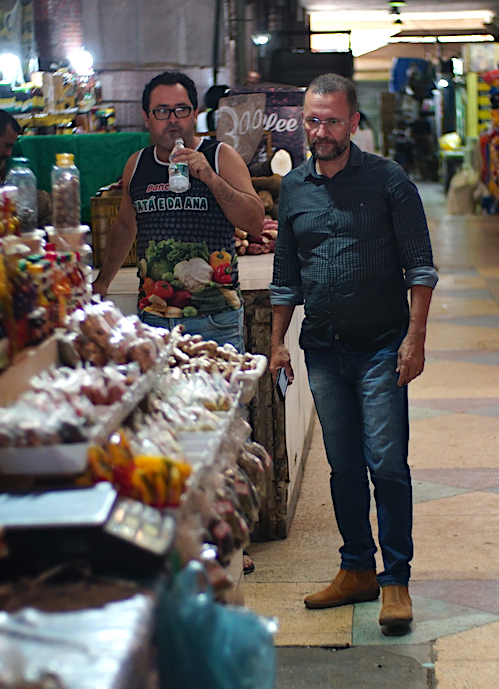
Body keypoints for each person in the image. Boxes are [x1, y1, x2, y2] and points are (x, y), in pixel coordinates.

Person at [270, 73, 436, 633]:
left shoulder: (389, 181)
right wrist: (277, 342)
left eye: (332, 121)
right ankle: (357, 568)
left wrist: (415, 338)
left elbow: (420, 267)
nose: (321, 131)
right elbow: (285, 275)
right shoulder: (293, 188)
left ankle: (396, 580)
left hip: (382, 348)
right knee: (343, 467)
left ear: (354, 123)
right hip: (323, 351)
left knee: (385, 463)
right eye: (312, 121)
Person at [92, 72, 265, 349]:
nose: (172, 119)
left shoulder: (220, 156)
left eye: (181, 109)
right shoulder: (137, 164)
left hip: (215, 319)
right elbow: (125, 226)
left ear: (195, 114)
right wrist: (102, 282)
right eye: (162, 111)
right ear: (146, 117)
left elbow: (255, 223)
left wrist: (210, 177)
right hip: (154, 319)